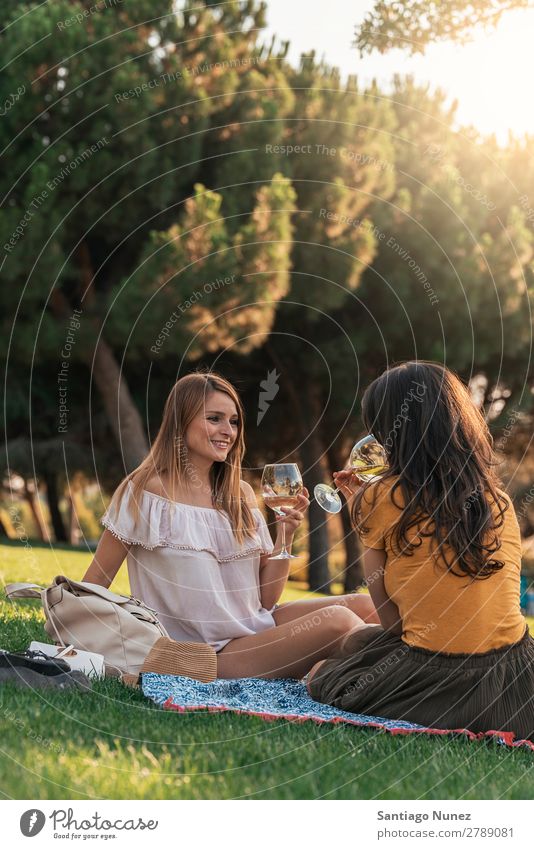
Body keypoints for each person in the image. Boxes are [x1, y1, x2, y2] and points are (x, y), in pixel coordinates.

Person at [83, 372, 379, 680]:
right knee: (340, 621)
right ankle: (379, 677)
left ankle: (369, 672)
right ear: (180, 422)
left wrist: (285, 535)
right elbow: (93, 586)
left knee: (363, 605)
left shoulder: (241, 495)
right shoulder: (145, 493)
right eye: (214, 419)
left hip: (253, 628)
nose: (228, 431)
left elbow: (265, 600)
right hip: (209, 655)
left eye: (234, 421)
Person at [307, 361, 534, 742]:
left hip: (434, 682)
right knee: (360, 642)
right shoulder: (497, 501)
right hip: (518, 683)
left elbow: (395, 623)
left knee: (323, 675)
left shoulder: (381, 497)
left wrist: (364, 521)